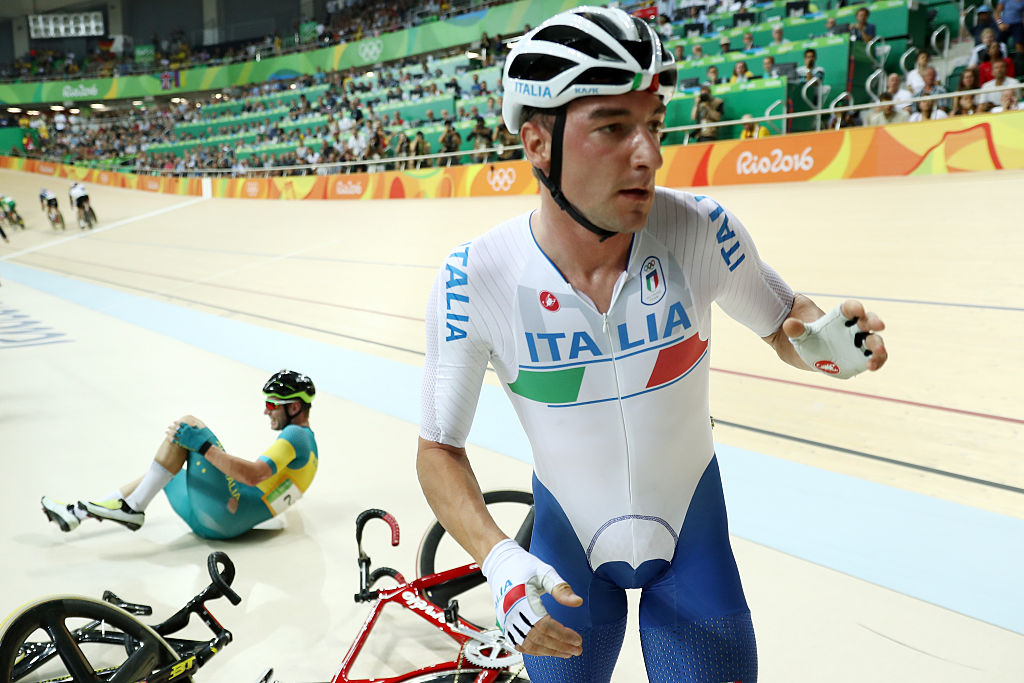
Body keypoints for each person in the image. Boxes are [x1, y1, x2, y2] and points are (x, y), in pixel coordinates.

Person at [417, 7, 888, 683]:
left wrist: (825, 345)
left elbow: (787, 322)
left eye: (654, 125)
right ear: (537, 142)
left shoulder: (701, 229)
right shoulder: (474, 277)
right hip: (566, 563)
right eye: (613, 127)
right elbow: (438, 450)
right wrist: (502, 560)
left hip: (692, 547)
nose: (648, 154)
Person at [41, 370, 319, 540]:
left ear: (294, 407)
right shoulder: (309, 447)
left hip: (227, 514)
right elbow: (279, 490)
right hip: (223, 522)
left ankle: (133, 509)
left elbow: (253, 475)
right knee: (163, 474)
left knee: (189, 424)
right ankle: (77, 513)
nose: (266, 411)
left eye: (271, 404)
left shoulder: (295, 436)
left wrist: (204, 447)